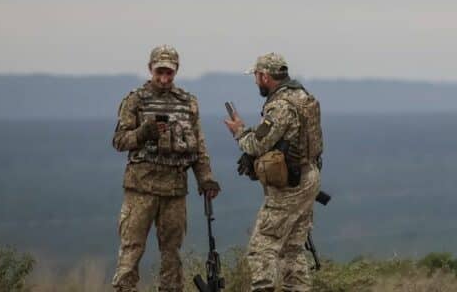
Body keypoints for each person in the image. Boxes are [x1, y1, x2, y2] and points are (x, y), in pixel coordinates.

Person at [111, 44, 220, 292]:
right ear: (150, 69)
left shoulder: (187, 103)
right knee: (132, 248)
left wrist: (206, 178)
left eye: (169, 73)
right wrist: (142, 133)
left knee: (172, 252)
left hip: (174, 190)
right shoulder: (135, 101)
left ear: (176, 72)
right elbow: (119, 141)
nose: (164, 78)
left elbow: (198, 147)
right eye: (159, 72)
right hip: (141, 189)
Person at [225, 53, 322, 292]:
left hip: (290, 185)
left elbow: (257, 144)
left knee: (262, 246)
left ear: (265, 76)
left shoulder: (280, 105)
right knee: (293, 246)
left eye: (257, 76)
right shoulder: (303, 97)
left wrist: (239, 131)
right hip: (309, 175)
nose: (256, 81)